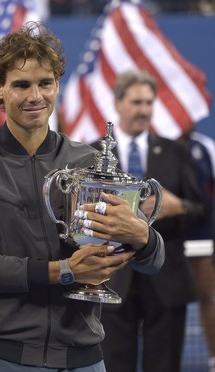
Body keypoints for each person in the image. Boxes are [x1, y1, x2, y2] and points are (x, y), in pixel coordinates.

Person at [0, 22, 165, 372]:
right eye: (21, 85)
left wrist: (141, 235)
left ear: (57, 85)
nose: (35, 96)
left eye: (45, 83)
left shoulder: (88, 162)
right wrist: (65, 271)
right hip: (1, 359)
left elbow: (152, 261)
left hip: (85, 359)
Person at [90, 70, 205, 372]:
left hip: (167, 282)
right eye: (137, 102)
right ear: (118, 103)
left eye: (149, 103)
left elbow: (201, 212)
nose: (144, 110)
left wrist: (180, 207)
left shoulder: (177, 153)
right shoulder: (91, 154)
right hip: (111, 280)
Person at [179, 128, 215, 372]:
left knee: (208, 298)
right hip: (166, 241)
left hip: (202, 241)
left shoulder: (205, 147)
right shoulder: (157, 146)